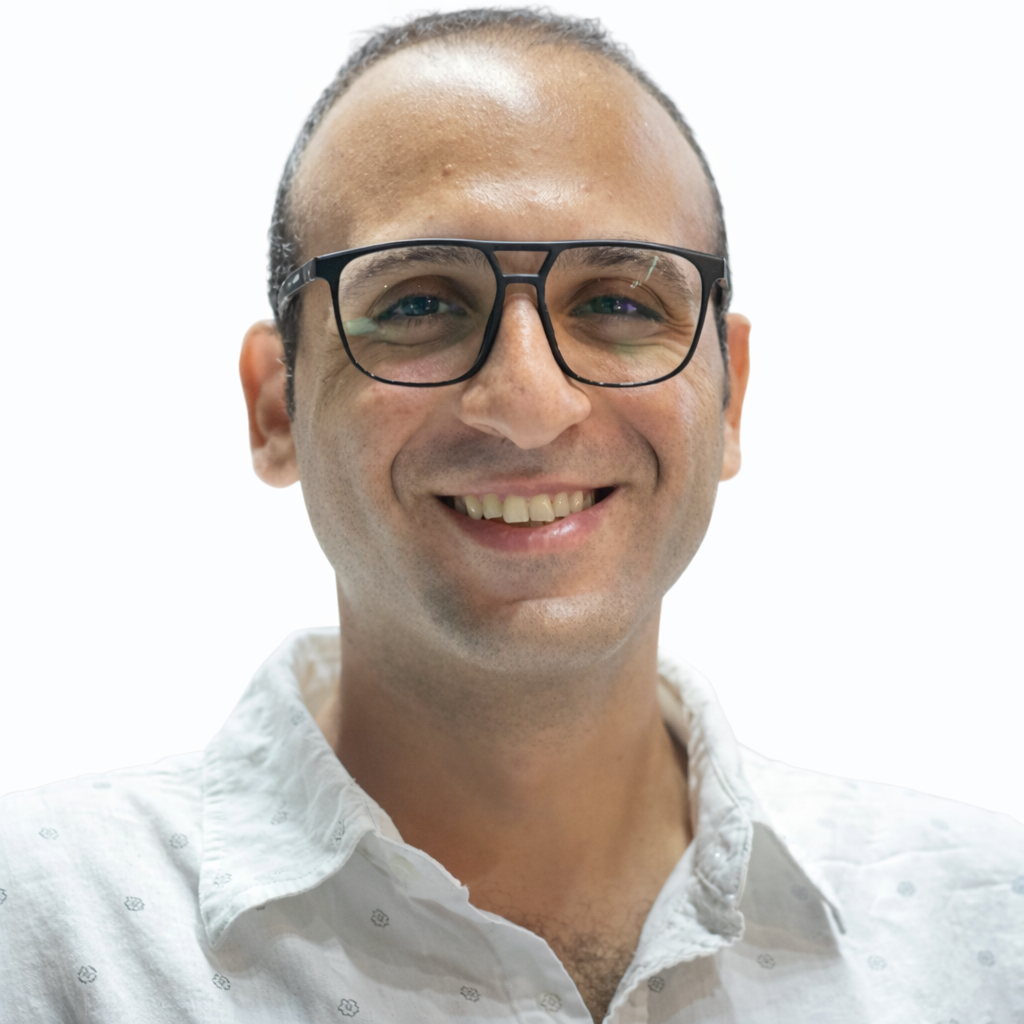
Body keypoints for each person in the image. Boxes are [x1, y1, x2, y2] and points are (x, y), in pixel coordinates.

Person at [1, 8, 1020, 1022]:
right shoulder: (41, 928)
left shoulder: (988, 926)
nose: (531, 404)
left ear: (728, 399)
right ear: (275, 407)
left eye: (618, 302)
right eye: (419, 304)